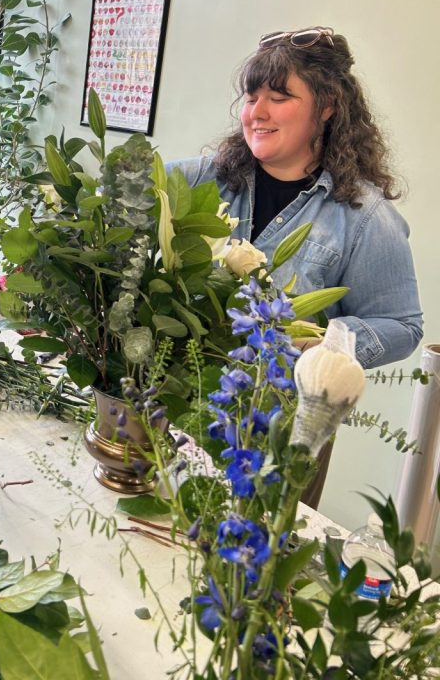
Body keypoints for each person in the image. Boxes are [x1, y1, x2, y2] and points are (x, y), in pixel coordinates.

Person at [170, 27, 423, 506]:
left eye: (279, 97)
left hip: (280, 437)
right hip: (176, 410)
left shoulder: (364, 217)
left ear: (327, 107)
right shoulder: (199, 180)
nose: (256, 113)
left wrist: (326, 343)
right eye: (251, 96)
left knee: (249, 572)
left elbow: (403, 325)